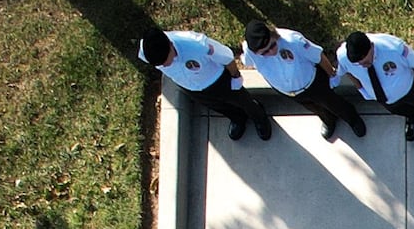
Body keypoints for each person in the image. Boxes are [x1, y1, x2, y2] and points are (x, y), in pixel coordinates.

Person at [137, 28, 272, 142]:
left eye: (167, 60)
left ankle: (259, 117)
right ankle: (238, 118)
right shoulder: (148, 52)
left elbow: (227, 57)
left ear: (171, 44)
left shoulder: (198, 45)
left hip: (219, 81)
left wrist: (235, 76)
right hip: (192, 88)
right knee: (219, 106)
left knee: (243, 101)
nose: (165, 65)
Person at [241, 20, 366, 143]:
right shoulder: (249, 51)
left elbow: (318, 56)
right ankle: (328, 120)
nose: (271, 52)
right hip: (290, 92)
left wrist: (331, 74)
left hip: (314, 84)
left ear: (273, 35)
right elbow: (247, 61)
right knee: (314, 108)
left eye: (272, 45)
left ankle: (352, 119)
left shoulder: (293, 41)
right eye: (265, 52)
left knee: (334, 104)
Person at [335, 31, 414, 142]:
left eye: (365, 61)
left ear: (371, 46)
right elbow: (347, 71)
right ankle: (413, 118)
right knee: (401, 110)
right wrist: (361, 89)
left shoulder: (394, 48)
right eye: (358, 64)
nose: (362, 65)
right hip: (385, 99)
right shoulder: (343, 56)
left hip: (411, 89)